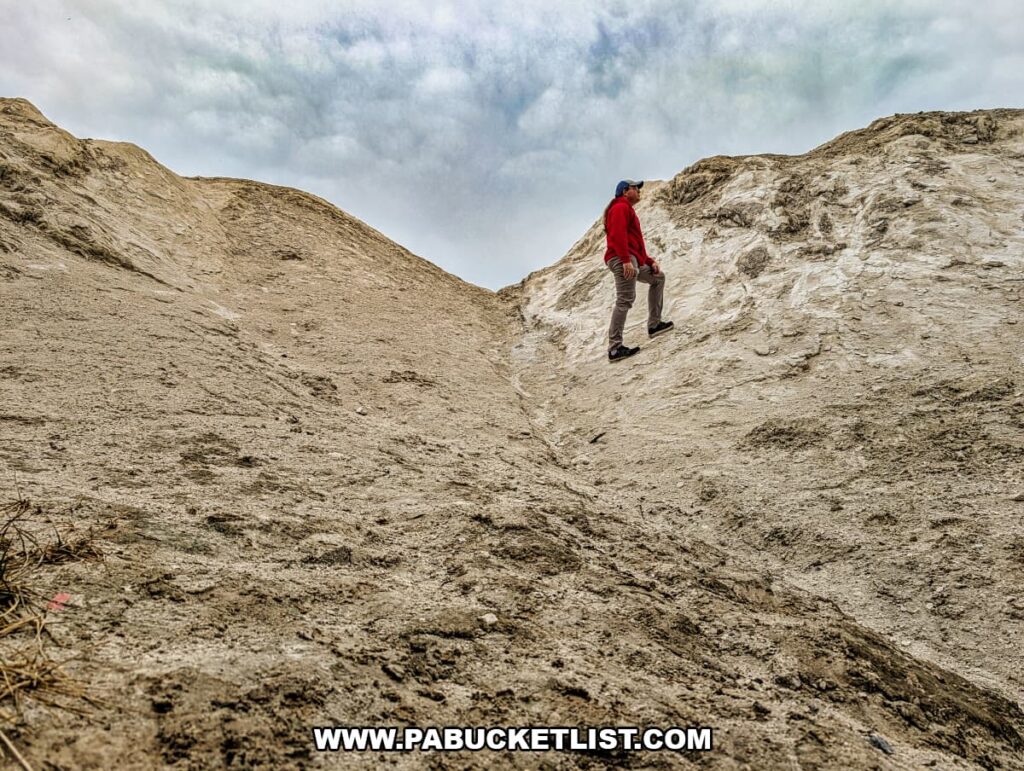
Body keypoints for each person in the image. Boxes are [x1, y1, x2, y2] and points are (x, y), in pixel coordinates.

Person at [603, 179, 673, 361]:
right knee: (625, 299)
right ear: (625, 191)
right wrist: (625, 260)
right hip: (622, 258)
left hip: (630, 257)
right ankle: (614, 348)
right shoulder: (620, 207)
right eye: (635, 188)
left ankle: (655, 325)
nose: (639, 190)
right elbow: (617, 235)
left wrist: (648, 261)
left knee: (658, 278)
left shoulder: (627, 209)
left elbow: (634, 243)